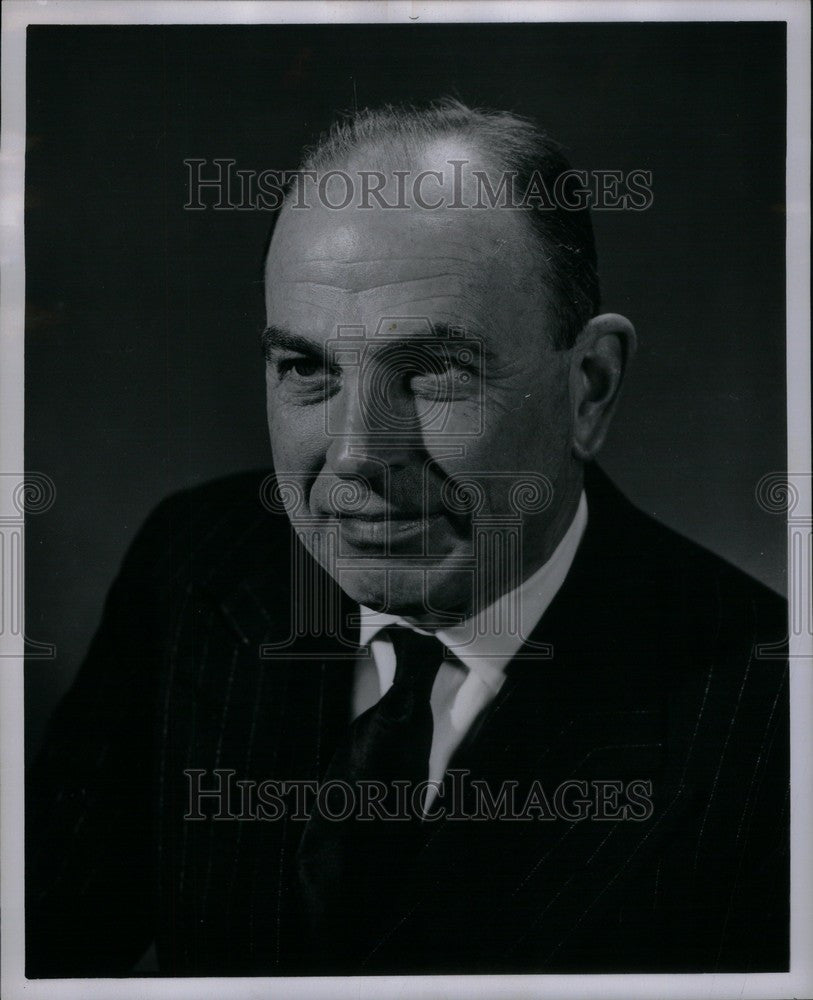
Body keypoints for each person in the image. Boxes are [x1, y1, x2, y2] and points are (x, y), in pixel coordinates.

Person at [26, 100, 789, 977]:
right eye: (306, 368)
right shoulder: (196, 561)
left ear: (588, 387)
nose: (356, 455)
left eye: (432, 371)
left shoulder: (768, 722)